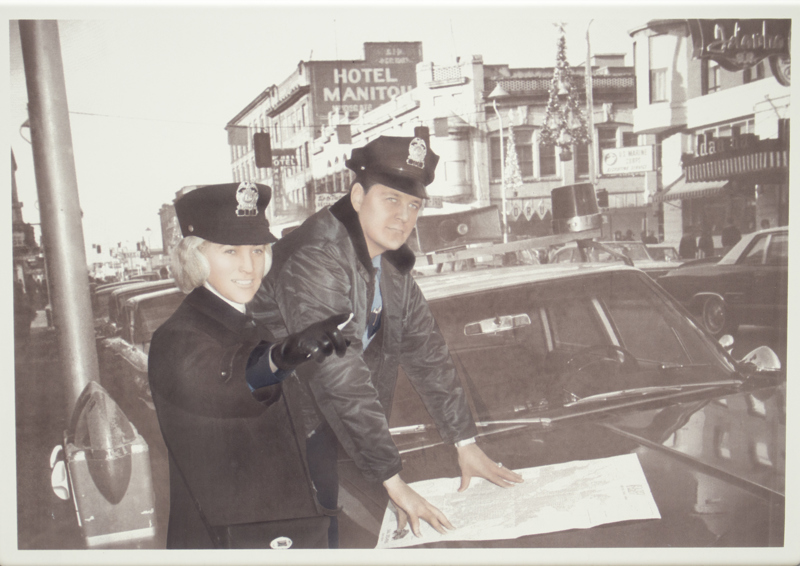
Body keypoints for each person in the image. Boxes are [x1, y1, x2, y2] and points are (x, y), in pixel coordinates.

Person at [251, 128, 523, 548]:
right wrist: (391, 481)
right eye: (391, 200)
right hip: (288, 442)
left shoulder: (389, 263)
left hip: (339, 436)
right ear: (358, 197)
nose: (404, 217)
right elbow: (338, 374)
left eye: (413, 205)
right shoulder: (316, 257)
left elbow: (426, 351)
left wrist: (464, 442)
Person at [147, 182, 350, 549]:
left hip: (273, 531)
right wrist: (282, 356)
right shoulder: (177, 337)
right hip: (230, 539)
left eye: (257, 249)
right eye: (230, 251)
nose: (249, 266)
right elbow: (232, 381)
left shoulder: (250, 323)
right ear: (195, 256)